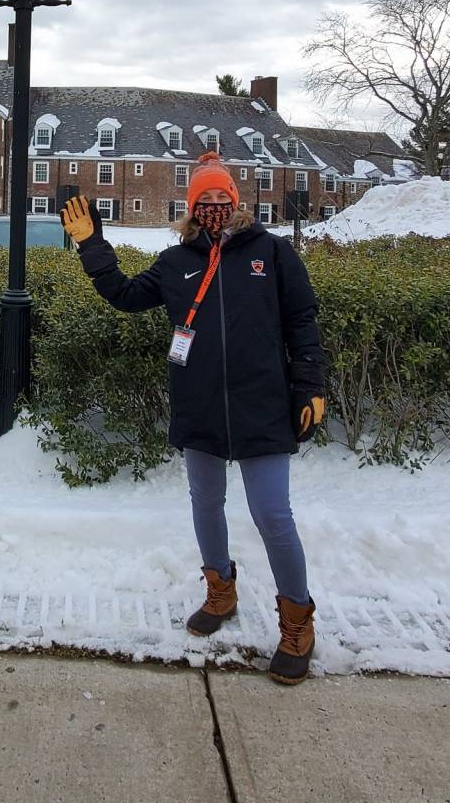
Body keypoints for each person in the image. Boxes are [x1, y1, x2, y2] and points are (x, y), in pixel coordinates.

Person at [60, 153, 328, 684]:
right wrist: (92, 246)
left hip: (263, 406)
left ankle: (297, 621)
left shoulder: (272, 253)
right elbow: (126, 295)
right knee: (206, 504)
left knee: (273, 514)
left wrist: (311, 385)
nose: (213, 207)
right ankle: (220, 592)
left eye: (220, 197)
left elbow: (302, 319)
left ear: (236, 200)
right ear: (190, 207)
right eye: (203, 200)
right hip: (201, 403)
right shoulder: (175, 261)